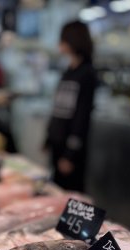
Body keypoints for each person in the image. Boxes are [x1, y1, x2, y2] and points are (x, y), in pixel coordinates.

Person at [45, 20, 97, 192]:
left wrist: (70, 154)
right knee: (56, 190)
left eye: (62, 39)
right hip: (57, 144)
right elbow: (58, 108)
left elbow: (82, 117)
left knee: (71, 194)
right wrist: (48, 137)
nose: (59, 44)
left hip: (71, 149)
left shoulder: (87, 74)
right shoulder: (68, 72)